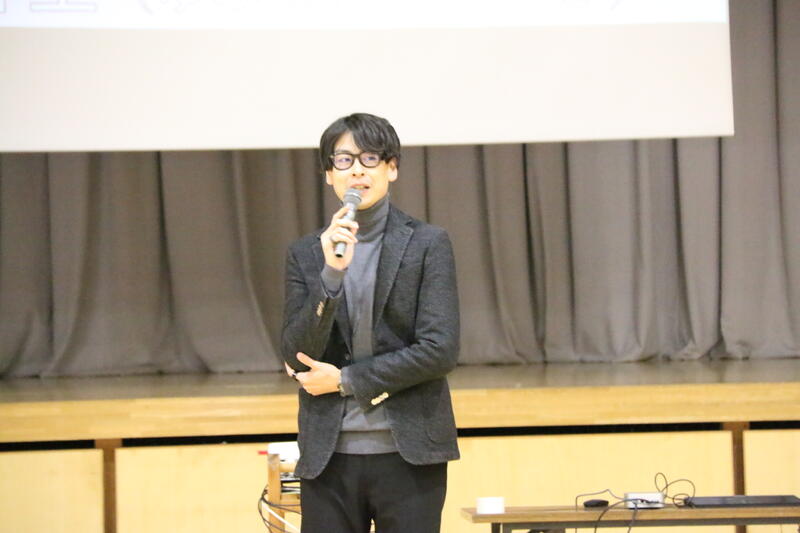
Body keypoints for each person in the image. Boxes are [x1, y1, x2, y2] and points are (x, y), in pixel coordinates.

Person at [281, 112, 460, 533]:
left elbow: (440, 349)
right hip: (328, 456)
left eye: (370, 158)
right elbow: (296, 354)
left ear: (391, 168)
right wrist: (331, 275)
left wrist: (347, 380)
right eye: (344, 160)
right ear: (329, 174)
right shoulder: (307, 253)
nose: (357, 170)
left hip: (409, 451)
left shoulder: (427, 243)